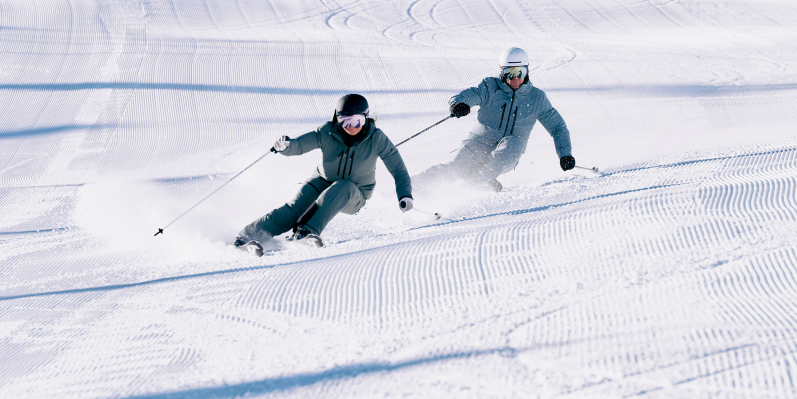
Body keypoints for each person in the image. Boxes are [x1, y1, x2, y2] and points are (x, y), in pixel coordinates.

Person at [235, 94, 413, 251]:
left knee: (343, 187)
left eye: (357, 121)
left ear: (366, 118)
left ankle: (305, 232)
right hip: (322, 180)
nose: (351, 127)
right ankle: (247, 237)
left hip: (354, 193)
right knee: (294, 210)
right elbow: (300, 145)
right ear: (337, 119)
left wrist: (405, 195)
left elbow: (398, 168)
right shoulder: (327, 131)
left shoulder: (377, 138)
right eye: (345, 121)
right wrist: (286, 146)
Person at [417, 47, 575, 192]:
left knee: (510, 145)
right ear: (502, 72)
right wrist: (459, 104)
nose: (514, 78)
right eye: (509, 73)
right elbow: (468, 95)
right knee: (456, 168)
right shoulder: (489, 87)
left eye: (519, 72)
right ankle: (410, 187)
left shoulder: (536, 98)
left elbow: (558, 128)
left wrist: (565, 154)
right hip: (479, 143)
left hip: (510, 149)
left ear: (527, 71)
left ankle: (468, 187)